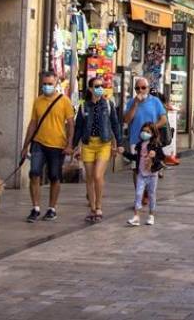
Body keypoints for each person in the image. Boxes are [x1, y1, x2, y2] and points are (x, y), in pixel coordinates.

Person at [20, 71, 75, 223]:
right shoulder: (38, 101)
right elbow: (33, 124)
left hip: (57, 145)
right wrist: (25, 146)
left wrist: (69, 144)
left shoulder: (64, 101)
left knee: (54, 176)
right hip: (38, 143)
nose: (47, 86)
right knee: (34, 173)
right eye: (44, 84)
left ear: (56, 83)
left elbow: (70, 124)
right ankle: (35, 208)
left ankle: (52, 208)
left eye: (50, 84)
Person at [73, 76, 122, 223]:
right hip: (88, 144)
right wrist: (73, 146)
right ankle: (93, 209)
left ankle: (99, 206)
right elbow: (79, 128)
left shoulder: (108, 104)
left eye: (102, 85)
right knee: (89, 178)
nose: (100, 88)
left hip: (103, 144)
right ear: (90, 88)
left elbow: (115, 124)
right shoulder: (84, 106)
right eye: (96, 86)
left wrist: (119, 143)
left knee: (97, 175)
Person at [124, 122, 164, 226]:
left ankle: (151, 215)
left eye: (148, 132)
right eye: (143, 131)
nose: (144, 133)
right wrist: (123, 152)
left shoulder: (155, 145)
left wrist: (154, 156)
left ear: (153, 133)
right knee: (138, 194)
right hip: (141, 174)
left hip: (152, 175)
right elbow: (135, 157)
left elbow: (162, 157)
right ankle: (136, 216)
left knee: (151, 195)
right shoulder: (139, 145)